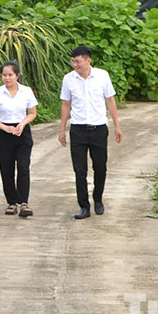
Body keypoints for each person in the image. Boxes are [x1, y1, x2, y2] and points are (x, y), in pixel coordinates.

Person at [58, 45, 122, 219]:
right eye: (72, 62)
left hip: (99, 129)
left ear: (88, 60)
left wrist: (117, 125)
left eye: (78, 61)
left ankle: (98, 199)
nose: (75, 65)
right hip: (78, 129)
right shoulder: (68, 79)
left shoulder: (102, 76)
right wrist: (62, 129)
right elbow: (65, 104)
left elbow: (110, 100)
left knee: (100, 167)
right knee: (80, 170)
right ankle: (84, 206)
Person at [0, 60, 38, 217]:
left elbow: (32, 113)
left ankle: (24, 203)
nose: (7, 78)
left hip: (22, 132)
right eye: (4, 75)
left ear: (17, 75)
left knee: (23, 167)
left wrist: (22, 124)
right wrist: (4, 127)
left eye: (10, 75)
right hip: (4, 133)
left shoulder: (26, 91)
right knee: (6, 169)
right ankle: (11, 202)